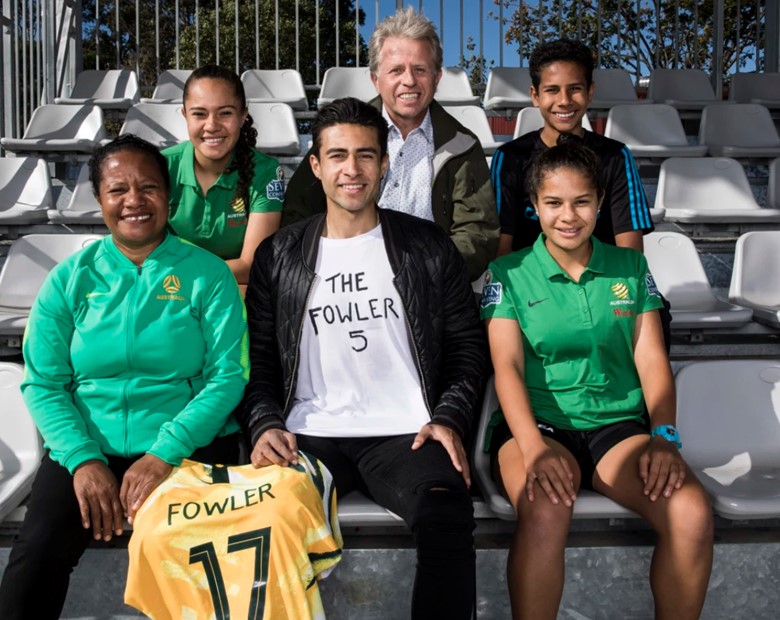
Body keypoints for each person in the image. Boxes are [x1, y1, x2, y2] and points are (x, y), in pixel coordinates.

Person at [240, 98, 489, 619]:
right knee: (261, 524)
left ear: (385, 163)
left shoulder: (427, 247)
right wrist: (264, 423)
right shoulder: (279, 254)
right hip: (306, 433)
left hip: (405, 433)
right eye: (337, 156)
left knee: (447, 511)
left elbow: (468, 348)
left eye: (365, 156)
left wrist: (448, 417)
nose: (351, 170)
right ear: (316, 165)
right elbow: (259, 358)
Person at [0, 135, 249, 619]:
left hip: (187, 448)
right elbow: (44, 382)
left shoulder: (208, 274)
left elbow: (228, 376)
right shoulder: (70, 277)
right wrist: (83, 460)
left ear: (169, 197)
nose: (133, 201)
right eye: (118, 190)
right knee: (38, 551)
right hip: (89, 448)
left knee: (207, 563)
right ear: (99, 200)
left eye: (148, 188)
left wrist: (163, 454)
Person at [480, 139, 713, 619]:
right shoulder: (508, 271)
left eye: (582, 201)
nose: (569, 216)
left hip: (617, 429)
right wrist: (535, 448)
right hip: (537, 426)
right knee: (544, 509)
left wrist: (664, 437)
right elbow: (507, 368)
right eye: (553, 203)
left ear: (600, 203)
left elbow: (651, 361)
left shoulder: (630, 266)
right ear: (534, 206)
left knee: (690, 512)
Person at [282, 7, 499, 281]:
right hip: (343, 282)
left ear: (437, 78)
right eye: (396, 70)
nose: (409, 80)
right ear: (376, 79)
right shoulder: (339, 133)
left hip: (429, 287)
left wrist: (425, 273)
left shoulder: (462, 144)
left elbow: (478, 234)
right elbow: (297, 214)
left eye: (420, 69)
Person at [490, 39, 653, 257]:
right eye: (552, 90)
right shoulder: (510, 158)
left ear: (590, 92)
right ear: (536, 96)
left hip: (604, 285)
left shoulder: (616, 156)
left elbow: (630, 254)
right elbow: (501, 252)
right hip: (532, 287)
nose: (564, 101)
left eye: (575, 89)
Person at [164, 65, 285, 284]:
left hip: (232, 291)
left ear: (242, 115)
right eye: (199, 114)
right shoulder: (161, 166)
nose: (211, 125)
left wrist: (179, 276)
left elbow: (251, 267)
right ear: (184, 114)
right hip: (169, 293)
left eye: (225, 113)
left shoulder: (266, 172)